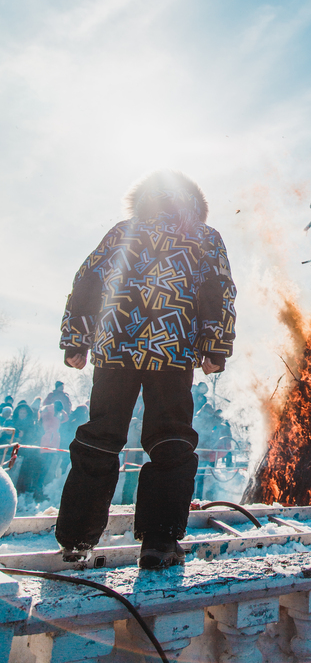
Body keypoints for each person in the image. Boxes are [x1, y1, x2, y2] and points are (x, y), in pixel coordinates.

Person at [55, 170, 237, 569]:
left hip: (115, 346)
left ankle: (75, 540)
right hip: (170, 348)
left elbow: (87, 281)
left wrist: (77, 338)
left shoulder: (123, 231)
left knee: (101, 435)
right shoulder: (204, 236)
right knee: (170, 438)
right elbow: (218, 289)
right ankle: (159, 542)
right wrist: (215, 346)